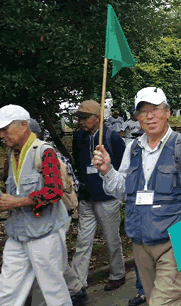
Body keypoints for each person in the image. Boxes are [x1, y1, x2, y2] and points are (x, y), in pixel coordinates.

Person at [92, 87, 181, 306]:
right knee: (154, 299)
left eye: (155, 109)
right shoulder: (132, 148)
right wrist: (107, 171)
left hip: (180, 235)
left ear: (167, 112)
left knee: (162, 302)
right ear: (137, 117)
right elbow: (123, 192)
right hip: (142, 238)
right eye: (143, 111)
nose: (150, 116)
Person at [0, 105, 71, 306]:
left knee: (53, 291)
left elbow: (54, 191)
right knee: (6, 291)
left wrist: (17, 202)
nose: (2, 135)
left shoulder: (44, 151)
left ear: (23, 125)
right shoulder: (11, 153)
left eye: (5, 129)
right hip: (18, 233)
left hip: (44, 233)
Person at [71, 100, 126, 293]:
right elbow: (77, 163)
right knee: (82, 242)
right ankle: (78, 284)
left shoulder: (112, 137)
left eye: (85, 118)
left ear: (97, 118)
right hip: (87, 196)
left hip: (107, 198)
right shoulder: (78, 137)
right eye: (79, 117)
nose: (81, 121)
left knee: (112, 239)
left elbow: (121, 167)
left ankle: (118, 274)